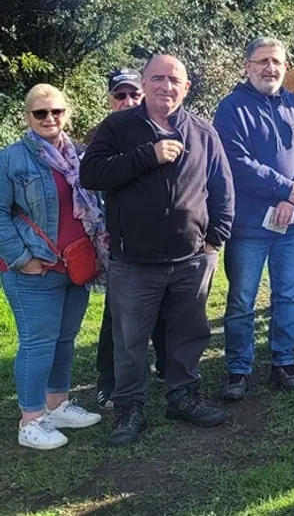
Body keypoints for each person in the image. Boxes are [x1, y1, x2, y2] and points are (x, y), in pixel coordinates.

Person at [81, 54, 235, 446]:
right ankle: (129, 408)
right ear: (145, 83)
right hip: (134, 261)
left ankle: (182, 396)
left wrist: (214, 238)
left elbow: (222, 189)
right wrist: (146, 156)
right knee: (130, 340)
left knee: (188, 333)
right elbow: (92, 174)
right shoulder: (117, 127)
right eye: (157, 78)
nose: (166, 86)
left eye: (174, 80)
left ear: (186, 88)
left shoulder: (202, 132)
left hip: (191, 259)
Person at [213, 37, 294, 401]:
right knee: (242, 299)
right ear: (247, 66)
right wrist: (284, 189)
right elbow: (237, 162)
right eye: (262, 61)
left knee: (288, 296)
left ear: (286, 66)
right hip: (248, 226)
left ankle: (284, 361)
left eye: (276, 61)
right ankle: (238, 369)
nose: (270, 68)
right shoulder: (230, 109)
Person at [0, 84, 108, 450]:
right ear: (27, 117)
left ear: (68, 114)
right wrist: (22, 258)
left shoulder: (79, 155)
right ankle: (30, 421)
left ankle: (57, 404)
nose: (50, 119)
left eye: (56, 112)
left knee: (65, 338)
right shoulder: (12, 159)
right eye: (40, 113)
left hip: (74, 265)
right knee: (37, 343)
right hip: (35, 269)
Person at [92, 69, 168, 410]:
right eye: (120, 95)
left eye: (134, 95)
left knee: (166, 307)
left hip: (159, 240)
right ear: (110, 99)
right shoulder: (104, 134)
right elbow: (93, 178)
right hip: (114, 242)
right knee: (117, 316)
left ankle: (167, 366)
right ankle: (108, 382)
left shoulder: (159, 128)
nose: (128, 101)